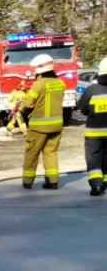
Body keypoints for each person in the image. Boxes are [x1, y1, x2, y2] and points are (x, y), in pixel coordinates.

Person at [20, 54, 66, 189]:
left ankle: (27, 181)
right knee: (51, 152)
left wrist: (22, 109)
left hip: (38, 127)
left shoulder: (38, 84)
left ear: (39, 69)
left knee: (32, 153)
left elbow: (28, 104)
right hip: (56, 126)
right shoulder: (60, 83)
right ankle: (53, 181)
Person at [76, 56, 107, 196]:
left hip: (94, 133)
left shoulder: (91, 90)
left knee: (94, 158)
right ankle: (104, 182)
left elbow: (82, 108)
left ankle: (96, 185)